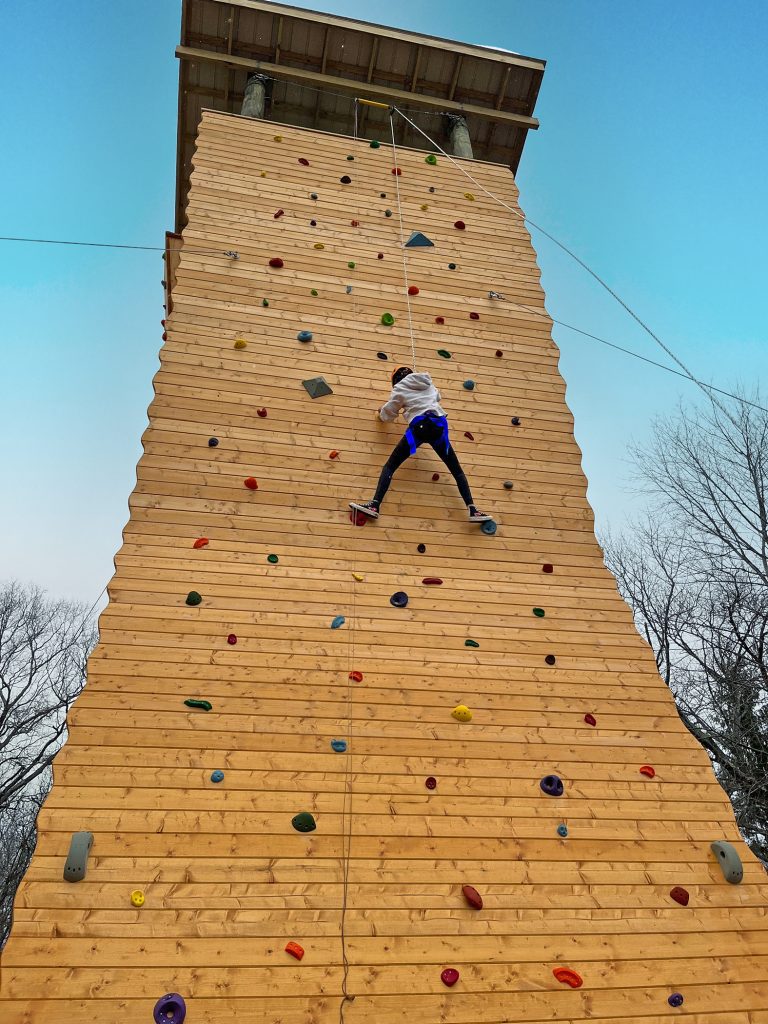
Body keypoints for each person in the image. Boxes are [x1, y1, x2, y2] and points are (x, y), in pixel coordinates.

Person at [350, 366, 492, 522]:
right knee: (456, 471)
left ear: (395, 379)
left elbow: (389, 414)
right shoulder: (428, 383)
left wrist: (381, 413)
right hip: (438, 429)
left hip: (418, 430)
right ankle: (472, 509)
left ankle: (375, 505)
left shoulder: (400, 387)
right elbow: (437, 397)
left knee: (390, 466)